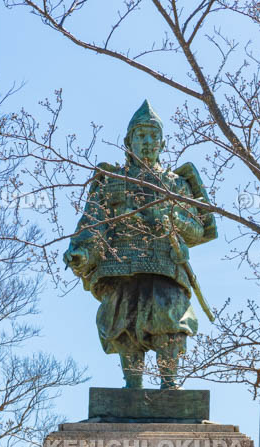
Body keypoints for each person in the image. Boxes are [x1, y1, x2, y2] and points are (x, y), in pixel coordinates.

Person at [64, 100, 217, 389]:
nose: (147, 142)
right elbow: (92, 225)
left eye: (153, 136)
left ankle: (169, 381)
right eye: (141, 135)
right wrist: (81, 253)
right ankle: (132, 385)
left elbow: (198, 229)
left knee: (168, 320)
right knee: (122, 321)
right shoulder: (111, 182)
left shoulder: (175, 184)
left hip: (165, 266)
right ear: (128, 141)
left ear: (163, 142)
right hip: (120, 265)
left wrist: (172, 216)